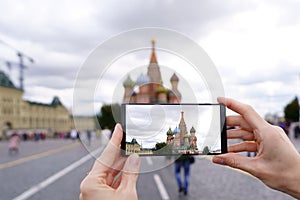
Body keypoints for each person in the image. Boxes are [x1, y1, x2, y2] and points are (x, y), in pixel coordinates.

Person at [80, 98, 300, 199]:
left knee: (179, 173)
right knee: (182, 173)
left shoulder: (185, 139)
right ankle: (183, 186)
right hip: (187, 159)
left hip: (182, 159)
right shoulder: (180, 139)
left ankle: (182, 186)